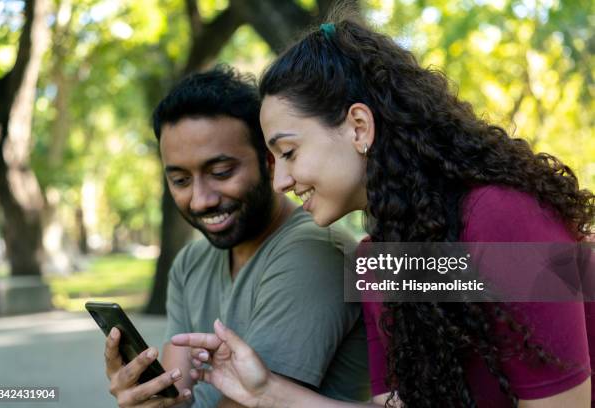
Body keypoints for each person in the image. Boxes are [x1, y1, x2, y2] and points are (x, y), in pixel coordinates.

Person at [173, 17, 595, 408]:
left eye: (289, 152)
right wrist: (267, 391)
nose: (280, 179)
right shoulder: (378, 261)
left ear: (359, 126)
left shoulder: (500, 217)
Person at [102, 66, 371, 407]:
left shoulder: (315, 253)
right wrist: (145, 398)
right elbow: (177, 395)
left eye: (221, 172)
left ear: (269, 162)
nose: (201, 199)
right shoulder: (190, 262)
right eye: (181, 180)